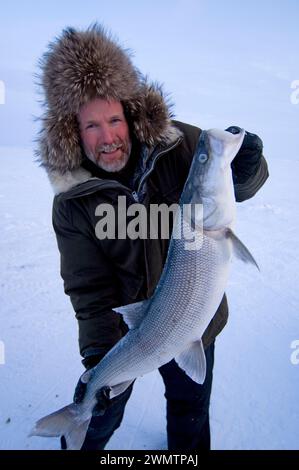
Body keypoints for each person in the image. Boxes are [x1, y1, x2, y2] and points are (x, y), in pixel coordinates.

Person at [37, 24, 269, 451]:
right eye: (91, 126)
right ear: (73, 129)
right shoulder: (73, 203)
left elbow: (229, 179)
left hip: (195, 322)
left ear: (128, 112)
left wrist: (249, 165)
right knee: (102, 412)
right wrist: (98, 360)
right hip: (126, 330)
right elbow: (88, 287)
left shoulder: (177, 144)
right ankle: (81, 423)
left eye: (113, 119)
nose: (107, 138)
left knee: (190, 411)